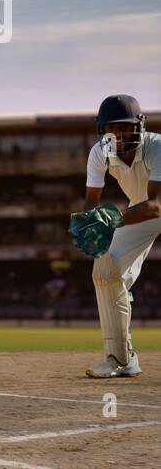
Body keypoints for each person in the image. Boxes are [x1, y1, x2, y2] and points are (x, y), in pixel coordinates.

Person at [69, 95, 161, 378]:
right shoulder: (99, 153)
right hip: (139, 211)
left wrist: (111, 219)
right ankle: (121, 358)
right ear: (103, 130)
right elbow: (91, 202)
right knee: (106, 270)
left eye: (125, 127)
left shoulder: (157, 147)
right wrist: (88, 226)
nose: (119, 135)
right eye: (113, 128)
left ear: (140, 126)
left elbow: (156, 205)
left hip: (152, 207)